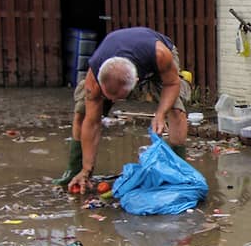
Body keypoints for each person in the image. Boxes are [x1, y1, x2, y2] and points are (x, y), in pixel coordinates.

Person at [57, 27, 192, 193]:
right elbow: (92, 123)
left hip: (152, 60)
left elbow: (172, 84)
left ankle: (178, 172)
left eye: (118, 98)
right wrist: (87, 169)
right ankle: (75, 170)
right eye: (109, 97)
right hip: (114, 60)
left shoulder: (160, 54)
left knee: (176, 111)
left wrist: (160, 113)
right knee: (82, 113)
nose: (113, 102)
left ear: (136, 82)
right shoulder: (94, 80)